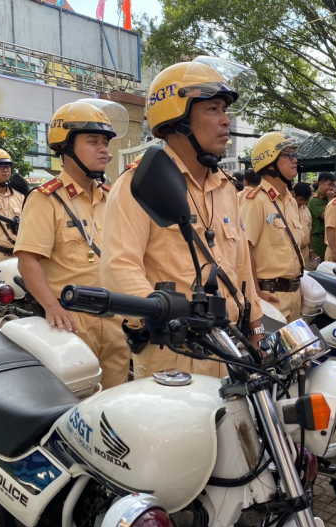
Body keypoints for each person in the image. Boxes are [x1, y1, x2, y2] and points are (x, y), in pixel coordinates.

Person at [101, 58, 264, 383]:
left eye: (225, 110)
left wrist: (255, 321)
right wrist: (163, 315)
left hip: (230, 345)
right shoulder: (138, 186)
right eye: (213, 109)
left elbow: (240, 263)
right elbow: (118, 269)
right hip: (173, 354)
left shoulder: (225, 186)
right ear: (179, 118)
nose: (226, 121)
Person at [15, 101, 129, 390]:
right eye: (93, 142)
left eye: (105, 142)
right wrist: (52, 307)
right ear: (66, 147)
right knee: (75, 401)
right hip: (71, 321)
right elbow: (28, 260)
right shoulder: (46, 199)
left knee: (115, 398)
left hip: (115, 316)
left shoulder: (110, 196)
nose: (104, 149)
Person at [241, 131, 304, 322]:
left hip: (293, 295)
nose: (295, 160)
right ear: (270, 163)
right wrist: (256, 293)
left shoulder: (291, 201)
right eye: (288, 155)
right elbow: (244, 250)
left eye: (295, 155)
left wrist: (297, 289)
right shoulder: (256, 201)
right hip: (269, 297)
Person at [308, 172, 336, 261]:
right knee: (320, 267)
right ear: (320, 184)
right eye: (329, 185)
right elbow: (328, 217)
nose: (331, 188)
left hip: (330, 238)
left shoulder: (331, 197)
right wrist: (330, 200)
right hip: (319, 240)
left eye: (333, 185)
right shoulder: (315, 200)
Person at [293, 181, 317, 267]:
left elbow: (309, 231)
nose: (303, 202)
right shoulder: (287, 210)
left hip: (305, 251)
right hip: (292, 253)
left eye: (306, 200)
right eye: (301, 199)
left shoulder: (306, 210)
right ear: (293, 195)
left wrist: (311, 250)